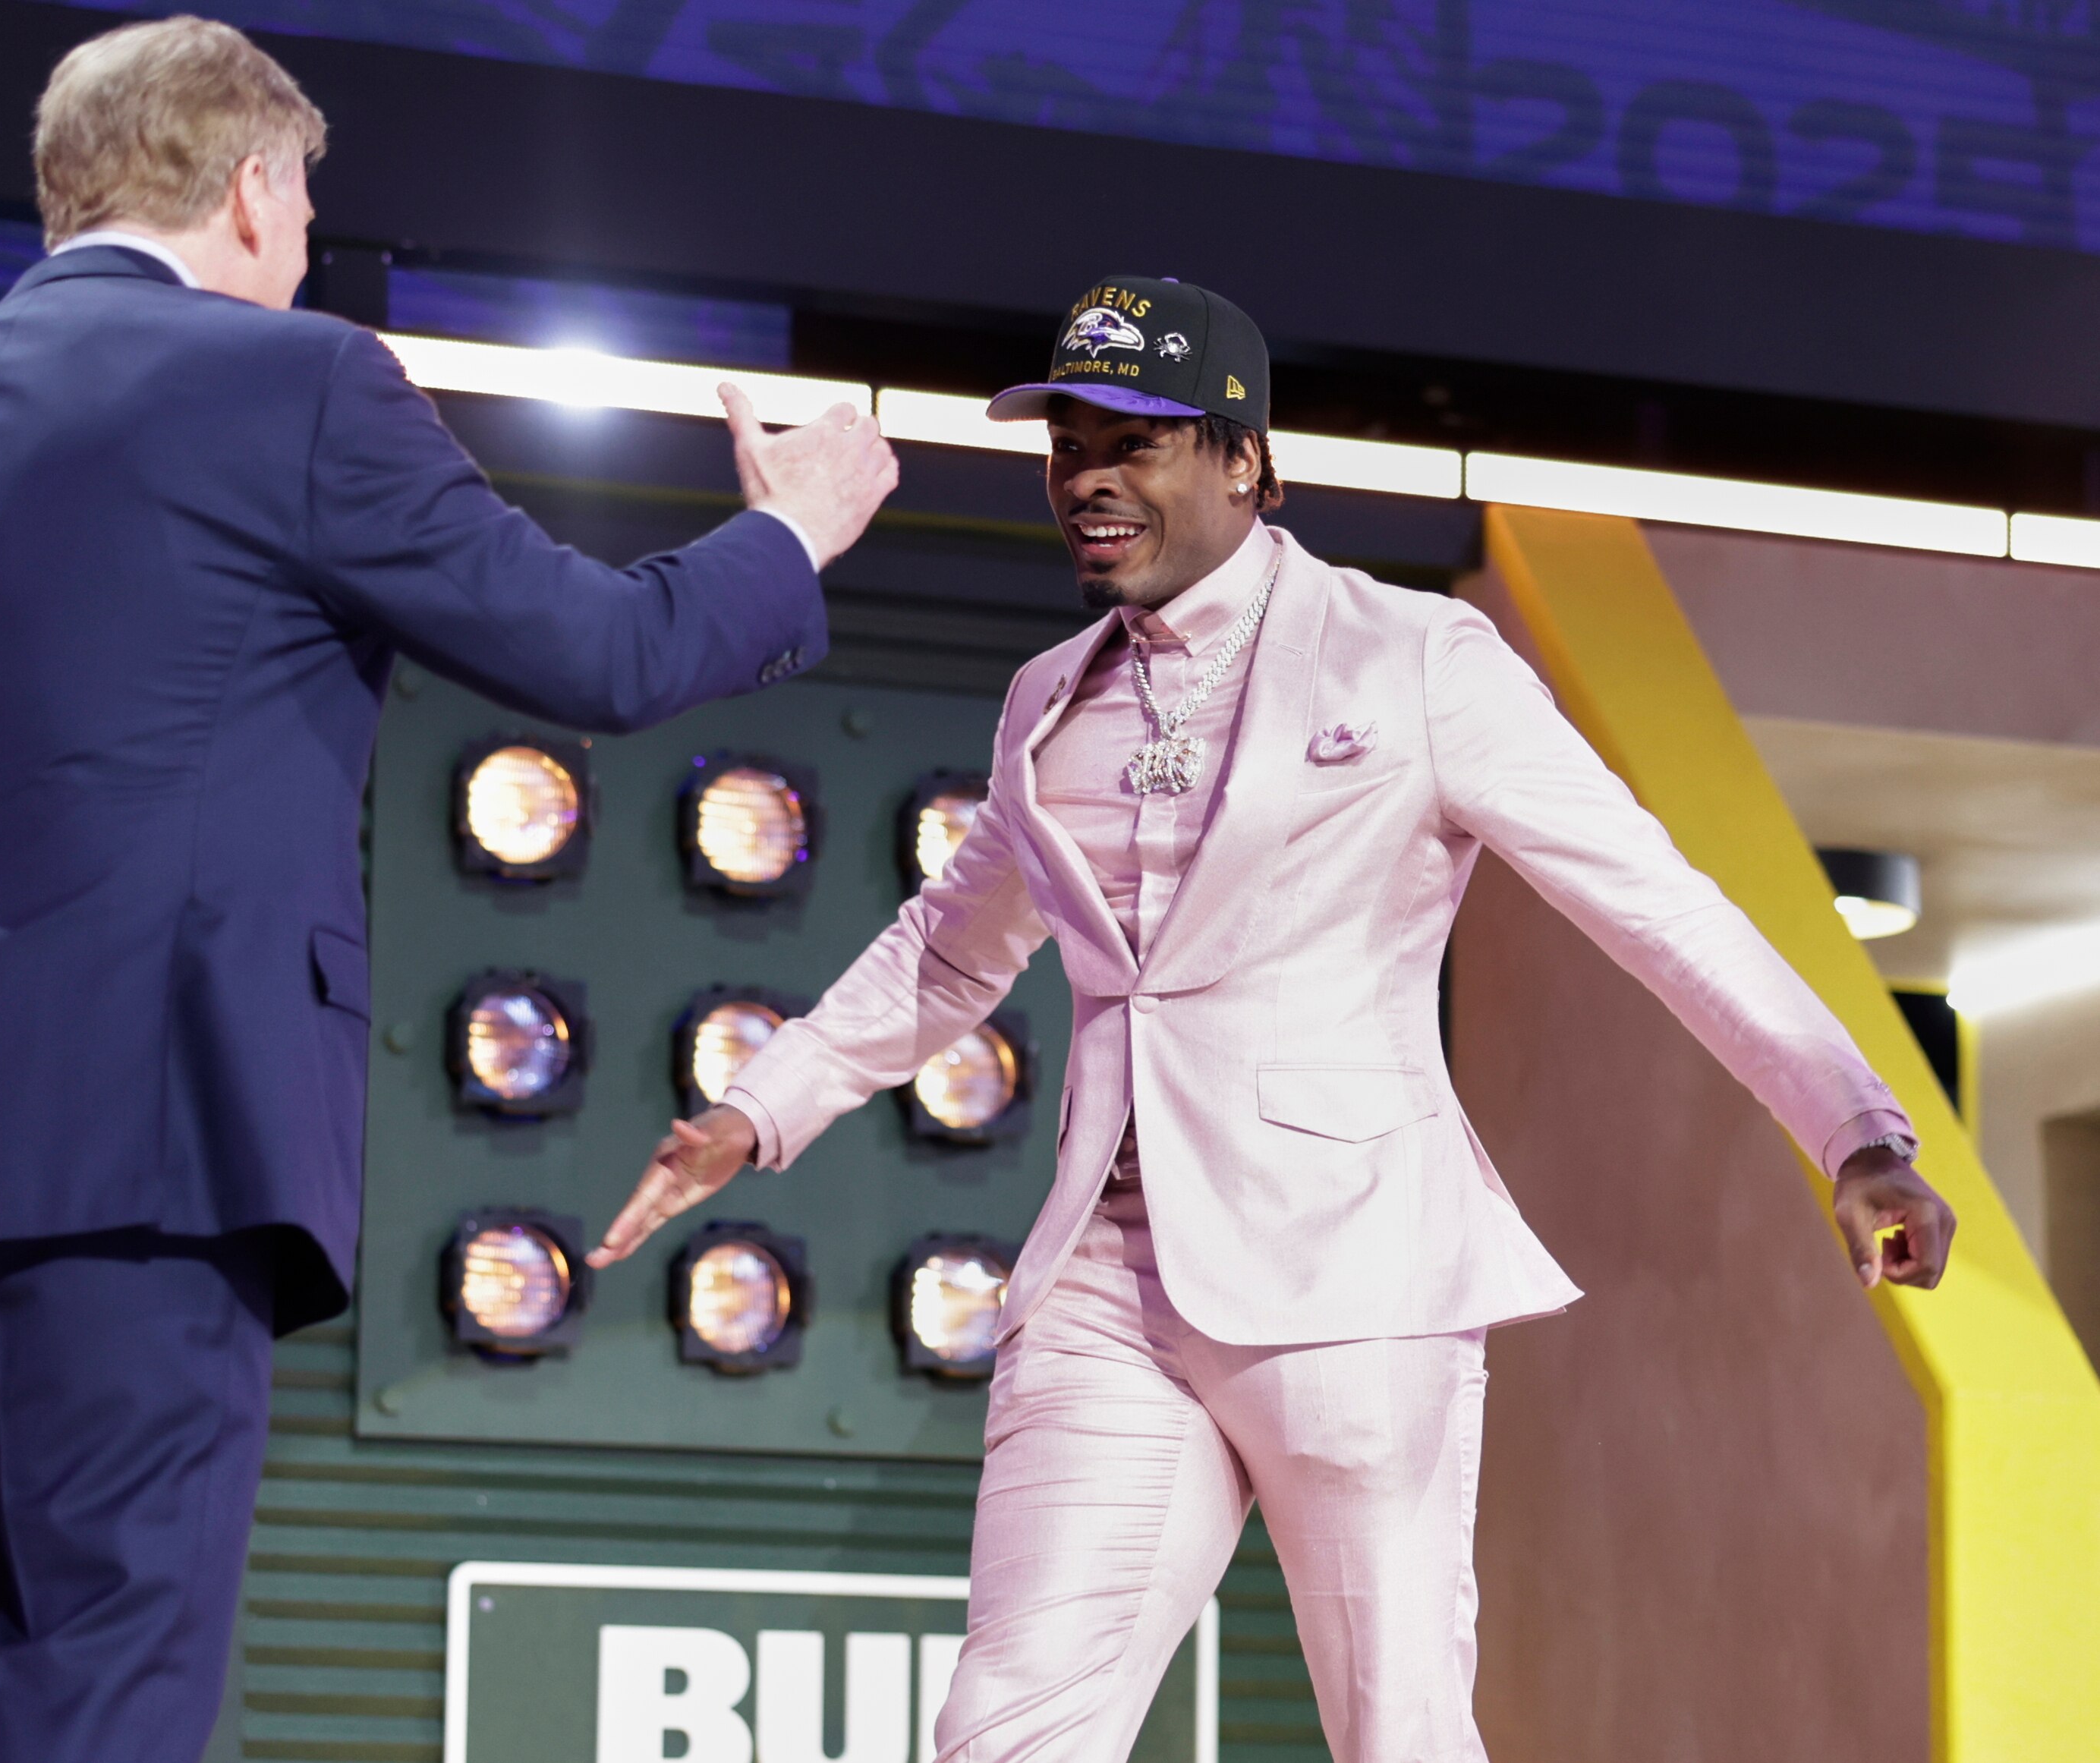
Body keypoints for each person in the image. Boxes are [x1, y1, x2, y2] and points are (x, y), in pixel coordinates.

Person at [0, 17, 896, 1761]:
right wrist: (790, 533)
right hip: (145, 1141)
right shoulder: (297, 384)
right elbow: (600, 655)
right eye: (303, 204)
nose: (302, 244)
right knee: (107, 1683)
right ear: (248, 187)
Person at [589, 274, 1953, 1763]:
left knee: (1396, 1733)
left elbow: (1658, 906)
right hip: (1109, 1276)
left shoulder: (1415, 660)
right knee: (1006, 1727)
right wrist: (759, 1106)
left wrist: (1856, 1131)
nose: (1087, 479)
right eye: (1066, 448)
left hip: (1352, 1273)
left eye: (1134, 442)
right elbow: (948, 951)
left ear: (1244, 459)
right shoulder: (1047, 698)